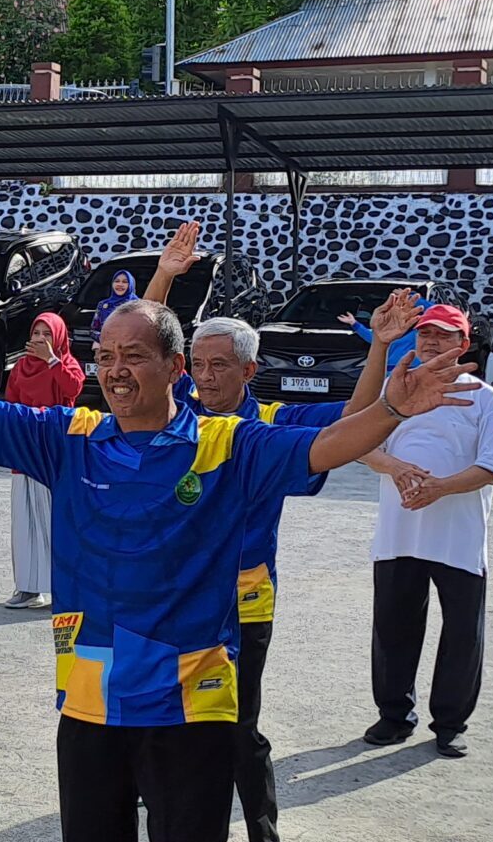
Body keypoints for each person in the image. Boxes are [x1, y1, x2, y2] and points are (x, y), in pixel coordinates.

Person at [0, 233, 478, 841]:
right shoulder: (70, 436)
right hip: (88, 700)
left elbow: (328, 443)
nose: (115, 371)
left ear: (171, 368)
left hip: (189, 703)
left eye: (132, 356)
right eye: (104, 357)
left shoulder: (228, 443)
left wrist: (389, 407)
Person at [142, 225, 432, 842]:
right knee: (171, 725)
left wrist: (378, 347)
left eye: (220, 365)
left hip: (244, 601)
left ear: (251, 368)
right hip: (171, 595)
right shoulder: (176, 416)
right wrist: (165, 278)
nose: (205, 375)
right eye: (197, 364)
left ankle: (263, 830)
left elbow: (354, 421)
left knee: (238, 728)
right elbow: (146, 342)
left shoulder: (274, 425)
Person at [362, 304, 493, 760]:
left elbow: (491, 467)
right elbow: (364, 447)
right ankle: (393, 716)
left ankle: (449, 723)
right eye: (426, 334)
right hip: (399, 531)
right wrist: (401, 469)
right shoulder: (395, 391)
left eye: (444, 336)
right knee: (393, 627)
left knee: (463, 632)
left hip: (458, 537)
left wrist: (439, 489)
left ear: (463, 346)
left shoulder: (484, 397)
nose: (431, 342)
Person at [0, 312, 82, 609]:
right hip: (25, 451)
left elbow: (74, 388)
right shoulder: (21, 367)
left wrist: (52, 360)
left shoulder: (67, 364)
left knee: (53, 520)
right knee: (24, 520)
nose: (40, 339)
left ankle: (61, 588)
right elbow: (11, 404)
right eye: (36, 333)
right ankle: (27, 588)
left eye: (47, 334)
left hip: (55, 453)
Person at [339, 293, 429, 370]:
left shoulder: (419, 332)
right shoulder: (388, 330)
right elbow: (373, 337)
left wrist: (413, 298)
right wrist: (354, 323)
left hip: (411, 369)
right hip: (388, 370)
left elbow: (435, 308)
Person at [90, 269, 135, 341]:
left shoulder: (137, 305)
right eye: (117, 281)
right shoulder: (103, 305)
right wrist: (104, 338)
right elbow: (93, 330)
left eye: (125, 282)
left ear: (131, 285)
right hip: (107, 347)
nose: (120, 284)